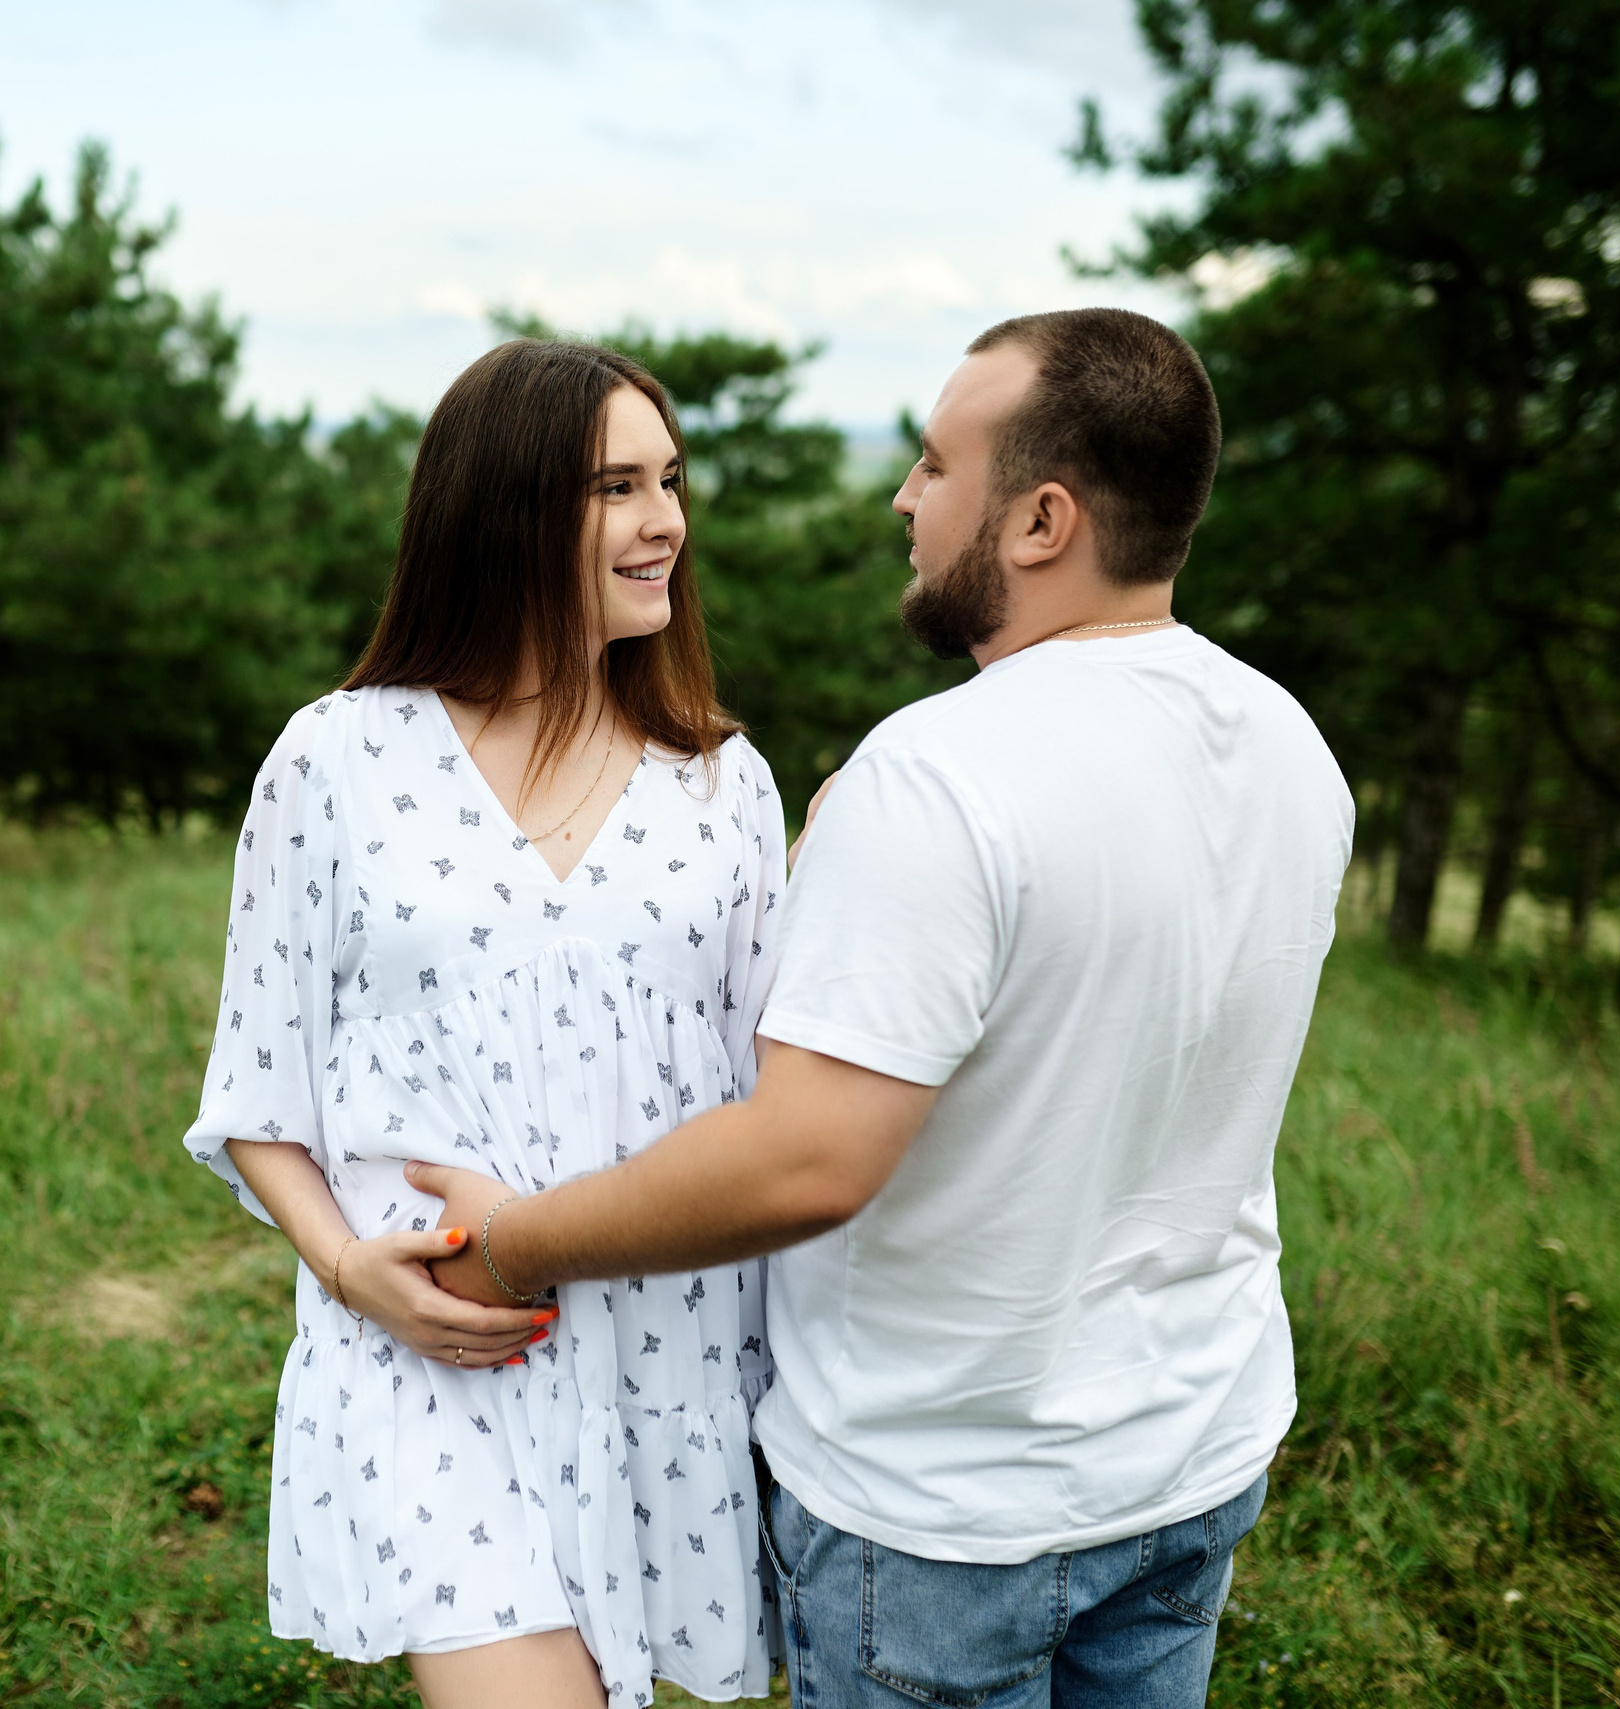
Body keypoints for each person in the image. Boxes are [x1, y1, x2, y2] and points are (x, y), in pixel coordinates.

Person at [410, 307, 1356, 1708]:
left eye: (931, 465)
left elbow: (810, 1160)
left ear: (1040, 520)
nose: (905, 498)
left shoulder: (939, 774)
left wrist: (513, 1246)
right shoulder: (1290, 743)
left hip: (947, 1513)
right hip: (1192, 1454)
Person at [181, 338, 788, 1709]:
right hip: (430, 1347)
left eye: (673, 481)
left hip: (670, 1346)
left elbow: (781, 1102)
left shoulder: (724, 784)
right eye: (616, 488)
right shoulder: (335, 760)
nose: (667, 524)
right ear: (504, 508)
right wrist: (346, 1267)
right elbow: (259, 1085)